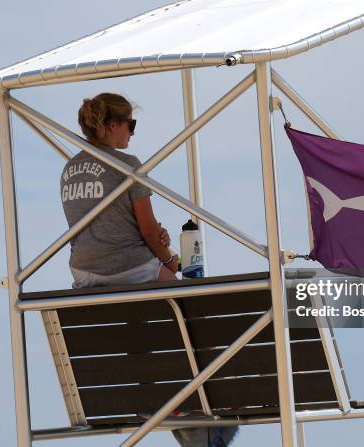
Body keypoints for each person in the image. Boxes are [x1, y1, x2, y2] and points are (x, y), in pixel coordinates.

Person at [60, 92, 238, 447]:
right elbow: (146, 231)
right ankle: (199, 417)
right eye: (131, 125)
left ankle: (174, 413)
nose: (133, 133)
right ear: (113, 126)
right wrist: (170, 259)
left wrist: (153, 242)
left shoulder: (69, 170)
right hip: (129, 270)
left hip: (84, 275)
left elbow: (101, 227)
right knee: (195, 316)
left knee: (142, 334)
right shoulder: (129, 164)